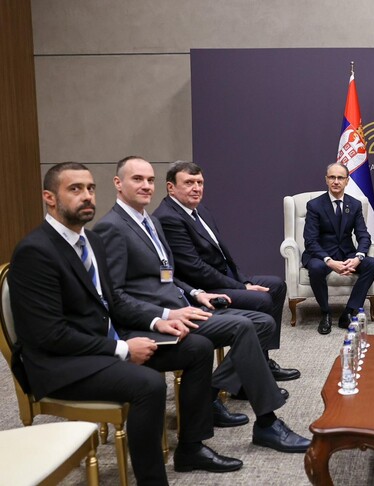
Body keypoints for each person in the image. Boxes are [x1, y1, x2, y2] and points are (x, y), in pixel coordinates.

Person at [9, 162, 243, 484]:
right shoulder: (35, 251)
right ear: (49, 198)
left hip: (101, 343)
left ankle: (191, 448)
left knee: (198, 347)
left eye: (90, 188)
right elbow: (49, 335)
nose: (87, 196)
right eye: (75, 189)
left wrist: (158, 321)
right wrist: (121, 349)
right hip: (61, 363)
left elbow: (114, 301)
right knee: (148, 385)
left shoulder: (91, 241)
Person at [93, 156, 310, 454]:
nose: (146, 186)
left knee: (261, 322)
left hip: (183, 306)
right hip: (152, 324)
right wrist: (165, 314)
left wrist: (195, 293)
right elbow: (115, 297)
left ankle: (217, 399)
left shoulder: (149, 222)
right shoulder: (111, 227)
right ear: (118, 183)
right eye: (137, 179)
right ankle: (267, 423)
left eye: (149, 180)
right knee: (245, 325)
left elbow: (167, 275)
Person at [152, 160, 297, 382]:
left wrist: (243, 281)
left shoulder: (198, 209)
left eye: (200, 182)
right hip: (202, 289)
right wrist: (242, 288)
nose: (197, 188)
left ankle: (261, 363)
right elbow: (195, 269)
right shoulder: (168, 217)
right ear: (171, 187)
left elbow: (223, 255)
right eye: (189, 183)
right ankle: (246, 378)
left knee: (276, 286)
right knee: (262, 299)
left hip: (222, 278)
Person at [302, 162, 374, 335]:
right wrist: (330, 262)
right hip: (321, 254)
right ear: (326, 180)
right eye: (332, 177)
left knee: (373, 264)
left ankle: (349, 311)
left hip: (346, 253)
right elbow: (310, 240)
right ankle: (325, 313)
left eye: (340, 178)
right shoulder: (314, 205)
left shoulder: (354, 204)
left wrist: (358, 257)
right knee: (316, 268)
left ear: (347, 181)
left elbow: (363, 235)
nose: (336, 181)